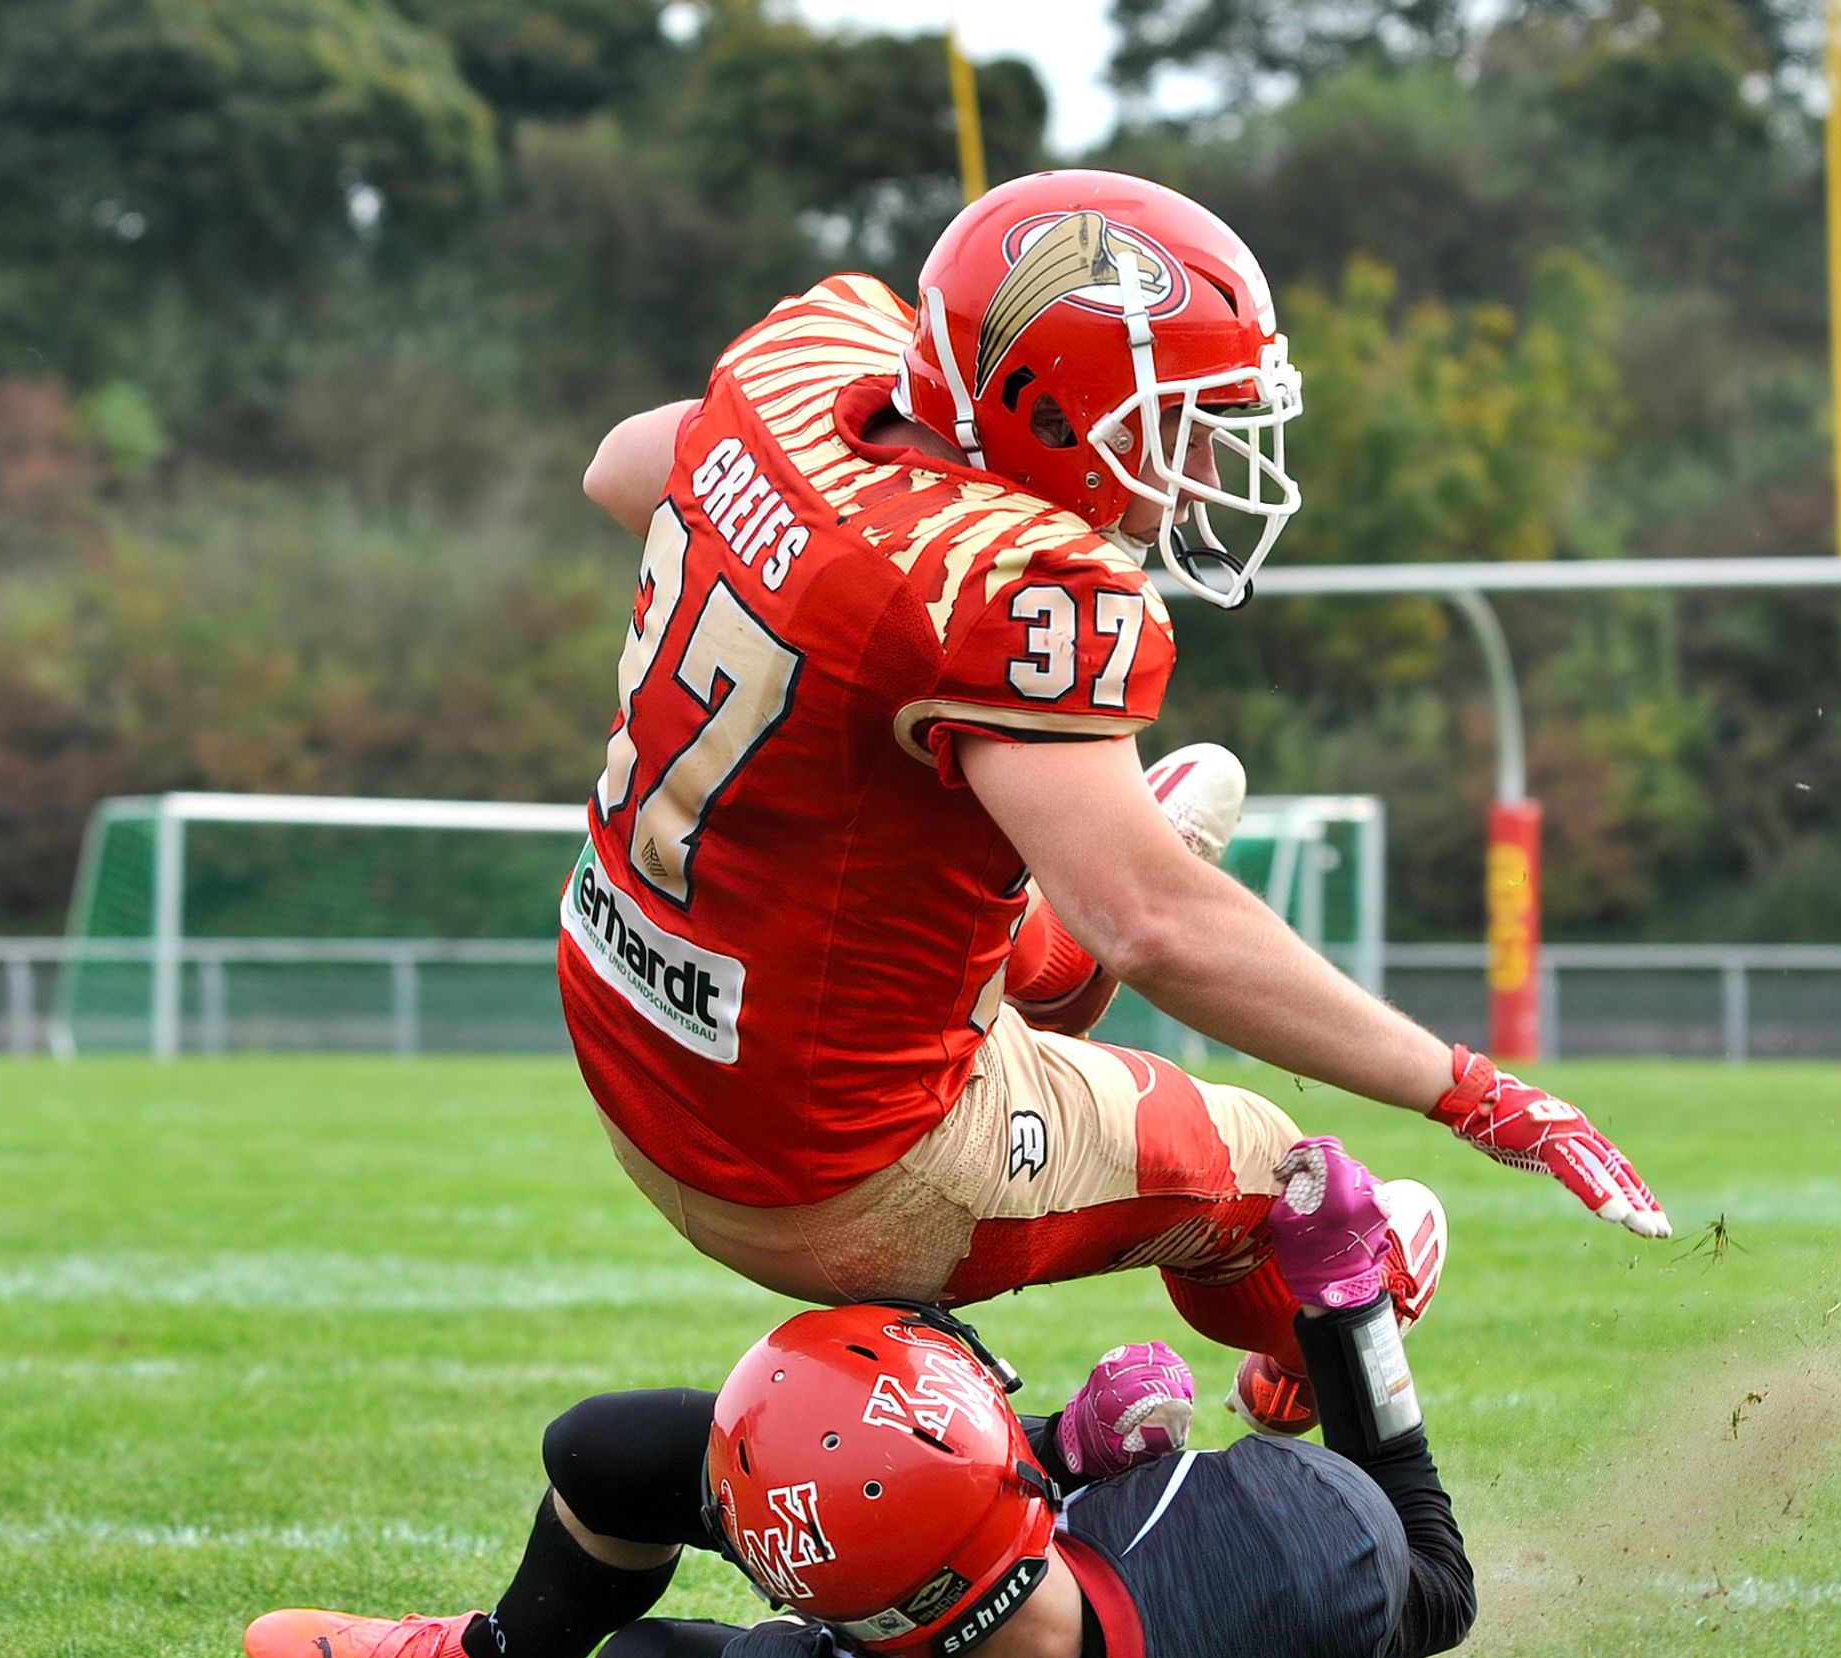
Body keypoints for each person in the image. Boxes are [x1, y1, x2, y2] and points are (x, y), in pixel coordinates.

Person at [559, 163, 1667, 1437]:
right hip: (836, 1167)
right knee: (1297, 1183)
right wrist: (1469, 1088)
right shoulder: (1011, 583)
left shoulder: (807, 374)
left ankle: (1045, 949)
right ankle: (1309, 1345)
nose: (1197, 464)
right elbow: (1163, 926)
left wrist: (800, 569)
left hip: (640, 1033)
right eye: (1172, 422)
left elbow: (623, 469)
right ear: (1044, 405)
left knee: (934, 809)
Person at [244, 1145, 1473, 1658]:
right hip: (1119, 1617)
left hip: (986, 1626)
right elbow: (1436, 1583)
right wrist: (1343, 1307)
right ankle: (1228, 1395)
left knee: (619, 1622)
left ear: (842, 1629)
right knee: (636, 1511)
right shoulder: (1279, 1547)